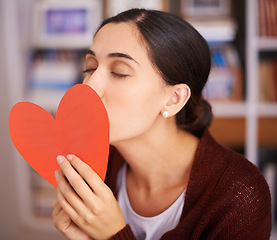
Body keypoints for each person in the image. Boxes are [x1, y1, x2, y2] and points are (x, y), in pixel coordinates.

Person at [52, 8, 271, 240]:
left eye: (119, 72)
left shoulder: (239, 195)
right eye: (90, 68)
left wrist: (114, 236)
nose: (89, 86)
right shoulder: (93, 168)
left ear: (174, 99)